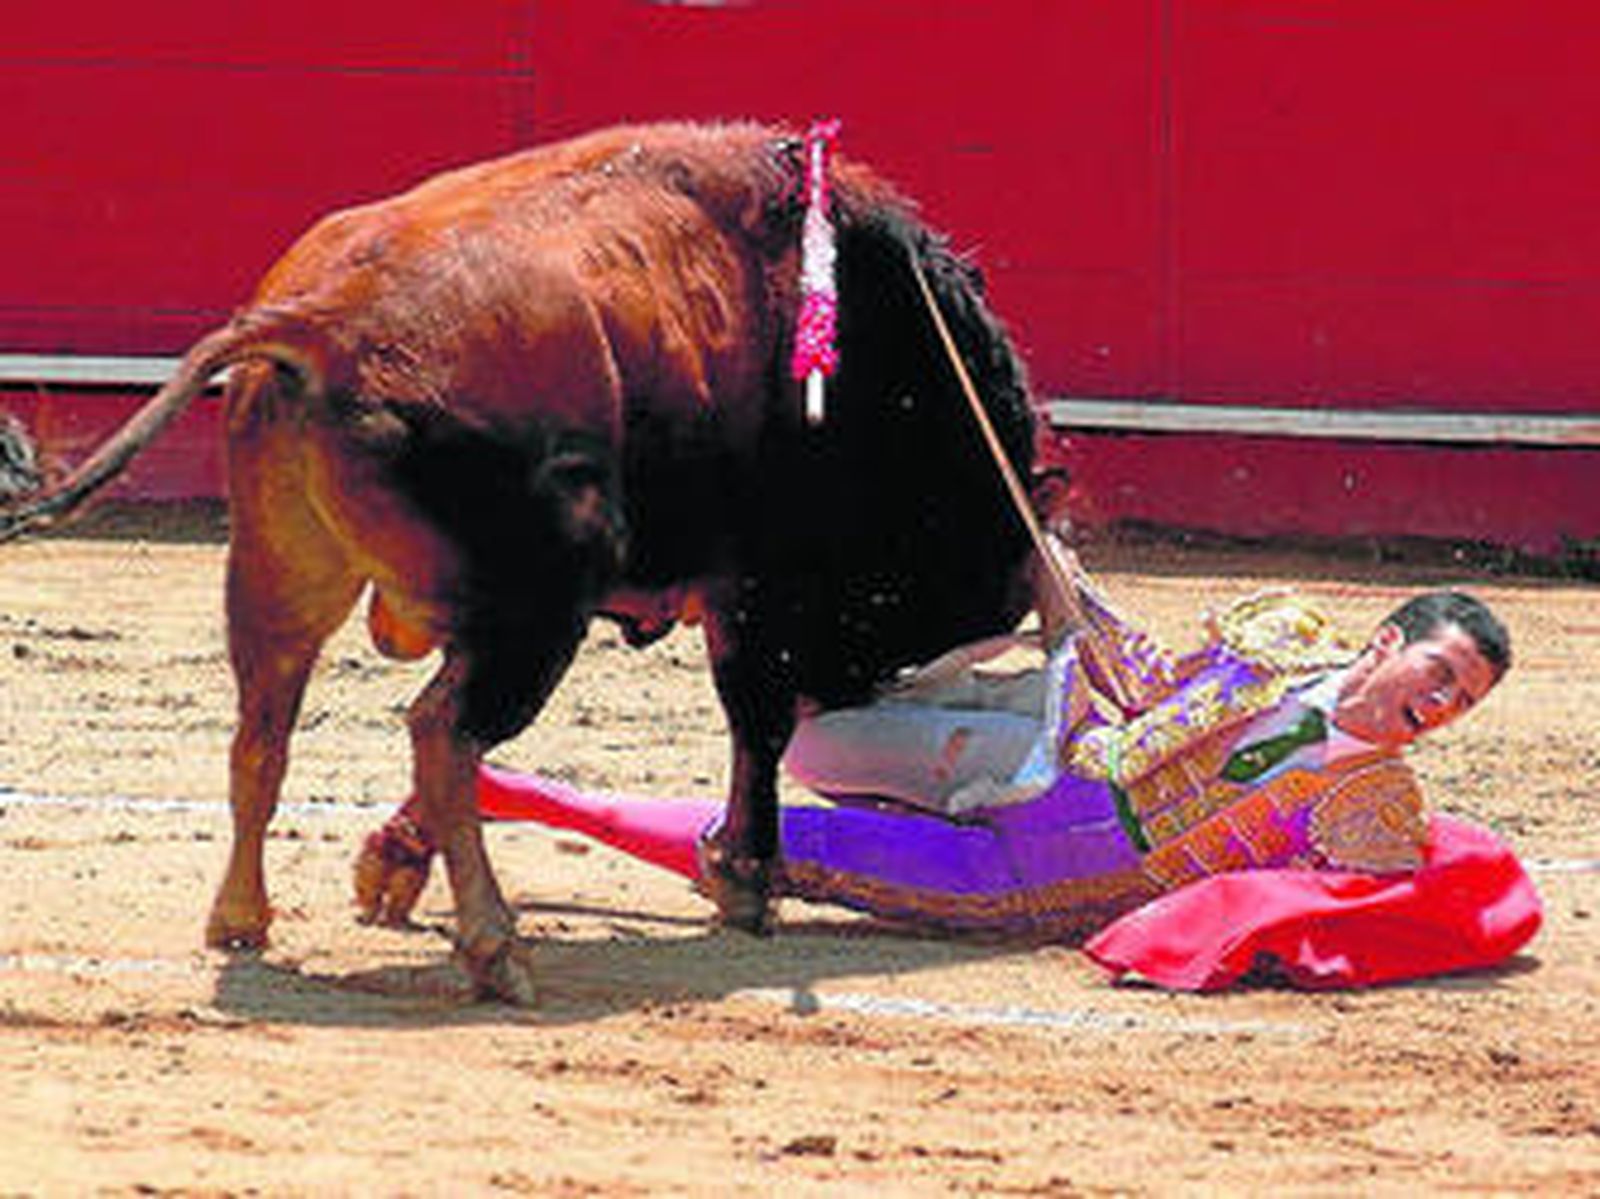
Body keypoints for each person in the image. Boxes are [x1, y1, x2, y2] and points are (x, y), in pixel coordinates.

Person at [354, 544, 1511, 945]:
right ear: (1388, 639)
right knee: (812, 735)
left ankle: (501, 790)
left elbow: (1330, 916)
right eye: (1441, 674)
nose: (1441, 706)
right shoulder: (1274, 639)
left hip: (1030, 879)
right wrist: (1073, 594)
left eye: (1460, 702)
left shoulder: (1376, 814)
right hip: (1030, 756)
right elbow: (1148, 682)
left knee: (758, 847)